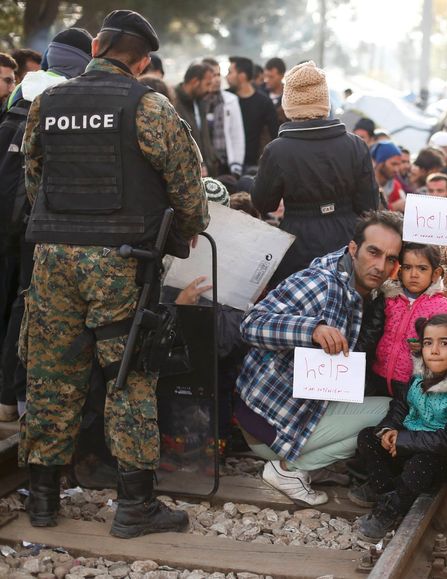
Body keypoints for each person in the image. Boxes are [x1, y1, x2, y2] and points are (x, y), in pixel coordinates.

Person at [20, 9, 210, 538]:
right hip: (120, 260)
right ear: (143, 60)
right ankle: (135, 507)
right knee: (128, 375)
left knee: (51, 374)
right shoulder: (148, 106)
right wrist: (189, 228)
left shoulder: (46, 103)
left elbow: (34, 180)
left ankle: (42, 500)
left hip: (53, 258)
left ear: (97, 44)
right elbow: (187, 186)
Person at [235, 211, 403, 506]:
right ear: (353, 249)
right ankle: (290, 469)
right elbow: (251, 324)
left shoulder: (365, 291)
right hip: (270, 424)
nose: (380, 266)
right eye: (373, 252)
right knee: (393, 412)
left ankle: (307, 465)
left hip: (293, 414)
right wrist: (311, 329)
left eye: (391, 259)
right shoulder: (321, 284)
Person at [0, 27, 93, 424]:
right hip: (34, 223)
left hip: (5, 215)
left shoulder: (18, 93)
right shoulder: (68, 98)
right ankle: (10, 397)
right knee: (25, 306)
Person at [251, 61, 380, 287]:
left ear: (289, 103)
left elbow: (264, 203)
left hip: (297, 241)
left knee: (302, 315)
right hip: (346, 241)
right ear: (324, 101)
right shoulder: (355, 145)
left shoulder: (278, 150)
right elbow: (369, 204)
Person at [352, 313, 447, 540]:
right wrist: (389, 431)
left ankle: (393, 506)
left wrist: (405, 441)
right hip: (407, 443)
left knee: (422, 463)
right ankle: (389, 489)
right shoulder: (418, 378)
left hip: (440, 457)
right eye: (428, 343)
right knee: (368, 437)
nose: (434, 350)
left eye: (444, 343)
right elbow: (399, 407)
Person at [369, 243, 447, 399]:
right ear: (399, 271)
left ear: (435, 273)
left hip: (412, 384)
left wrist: (426, 345)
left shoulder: (442, 308)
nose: (414, 274)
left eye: (422, 268)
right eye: (408, 267)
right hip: (377, 377)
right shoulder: (389, 299)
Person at [227, 56, 278, 172]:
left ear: (242, 76)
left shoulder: (264, 102)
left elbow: (275, 135)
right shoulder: (225, 100)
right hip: (226, 164)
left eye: (230, 72)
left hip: (253, 166)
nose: (227, 77)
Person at [202, 57, 245, 178]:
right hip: (204, 165)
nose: (216, 79)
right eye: (212, 75)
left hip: (225, 164)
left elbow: (237, 133)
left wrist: (237, 165)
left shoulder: (230, 100)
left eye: (218, 74)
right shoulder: (197, 101)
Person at [174, 62, 216, 176]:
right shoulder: (173, 103)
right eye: (207, 84)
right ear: (194, 82)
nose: (210, 90)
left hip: (206, 171)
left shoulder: (202, 101)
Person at [370, 141, 406, 212]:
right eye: (393, 164)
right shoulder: (366, 184)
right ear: (380, 163)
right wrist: (392, 207)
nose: (396, 169)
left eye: (398, 165)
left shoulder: (395, 186)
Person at [263, 57, 287, 124]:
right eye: (265, 76)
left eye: (271, 77)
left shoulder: (290, 97)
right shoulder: (260, 96)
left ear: (282, 75)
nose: (266, 80)